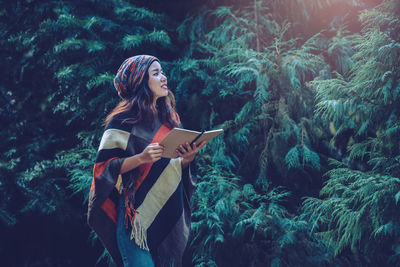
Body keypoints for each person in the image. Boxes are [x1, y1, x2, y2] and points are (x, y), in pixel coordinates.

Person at [87, 55, 206, 267]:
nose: (163, 77)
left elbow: (170, 166)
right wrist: (141, 158)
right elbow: (104, 168)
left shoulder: (170, 120)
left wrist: (186, 160)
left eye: (162, 72)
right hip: (134, 222)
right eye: (156, 73)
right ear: (141, 81)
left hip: (166, 215)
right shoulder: (121, 121)